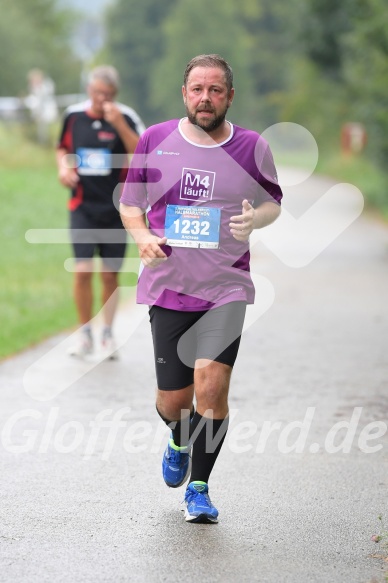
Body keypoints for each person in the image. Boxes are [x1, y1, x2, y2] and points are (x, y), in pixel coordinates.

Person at [119, 54, 282, 522]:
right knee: (174, 402)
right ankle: (177, 438)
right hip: (169, 286)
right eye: (197, 89)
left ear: (230, 95)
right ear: (184, 94)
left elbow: (273, 202)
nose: (205, 98)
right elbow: (131, 205)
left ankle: (200, 488)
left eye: (215, 90)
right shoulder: (155, 139)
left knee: (212, 385)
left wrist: (257, 218)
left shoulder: (252, 147)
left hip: (226, 286)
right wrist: (143, 236)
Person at [57, 65, 146, 359]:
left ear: (115, 95)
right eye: (97, 93)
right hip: (82, 206)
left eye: (107, 95)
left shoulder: (127, 116)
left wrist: (118, 123)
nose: (101, 99)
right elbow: (62, 148)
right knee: (82, 271)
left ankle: (107, 333)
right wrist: (64, 167)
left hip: (115, 208)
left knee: (109, 274)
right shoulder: (73, 116)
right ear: (88, 90)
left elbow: (142, 153)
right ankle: (84, 335)